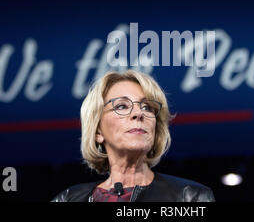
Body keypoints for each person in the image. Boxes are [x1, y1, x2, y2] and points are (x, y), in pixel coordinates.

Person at [51, 69, 215, 202]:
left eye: (147, 107)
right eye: (122, 106)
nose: (138, 113)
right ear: (98, 131)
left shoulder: (190, 198)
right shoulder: (67, 199)